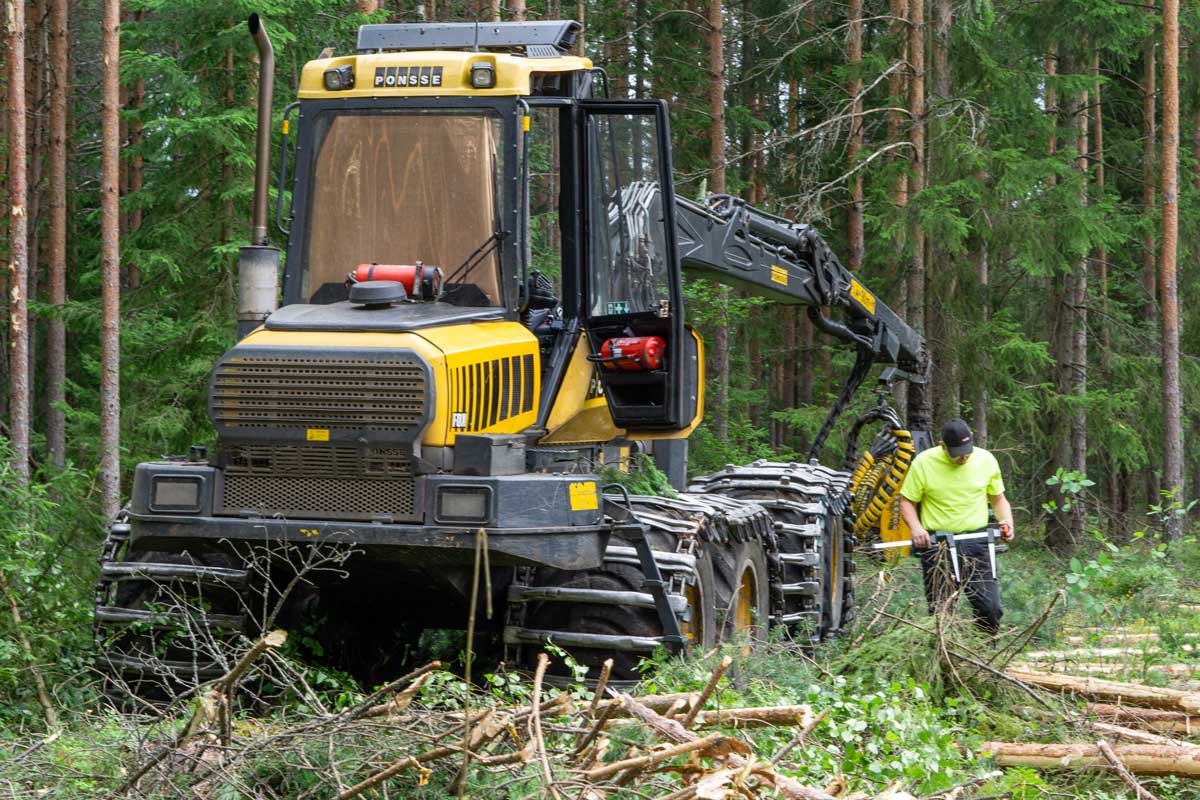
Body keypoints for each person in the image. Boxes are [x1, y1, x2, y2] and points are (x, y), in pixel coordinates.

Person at [897, 419, 1014, 634]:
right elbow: (906, 501)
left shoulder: (986, 460)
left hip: (977, 544)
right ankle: (944, 659)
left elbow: (998, 499)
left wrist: (1006, 521)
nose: (963, 457)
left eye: (967, 451)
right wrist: (916, 528)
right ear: (943, 445)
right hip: (938, 546)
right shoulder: (924, 463)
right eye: (958, 452)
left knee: (990, 608)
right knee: (941, 611)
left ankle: (985, 653)